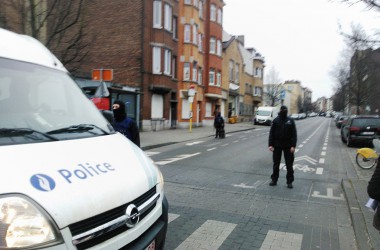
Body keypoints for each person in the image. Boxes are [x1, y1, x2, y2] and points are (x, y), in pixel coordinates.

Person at [268, 105, 297, 188]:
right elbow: (271, 134)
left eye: (285, 110)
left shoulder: (290, 121)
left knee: (289, 165)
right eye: (283, 110)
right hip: (277, 145)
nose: (284, 111)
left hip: (288, 146)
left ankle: (289, 181)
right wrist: (270, 145)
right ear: (280, 111)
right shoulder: (276, 120)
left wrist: (293, 146)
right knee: (276, 164)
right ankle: (274, 180)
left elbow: (294, 134)